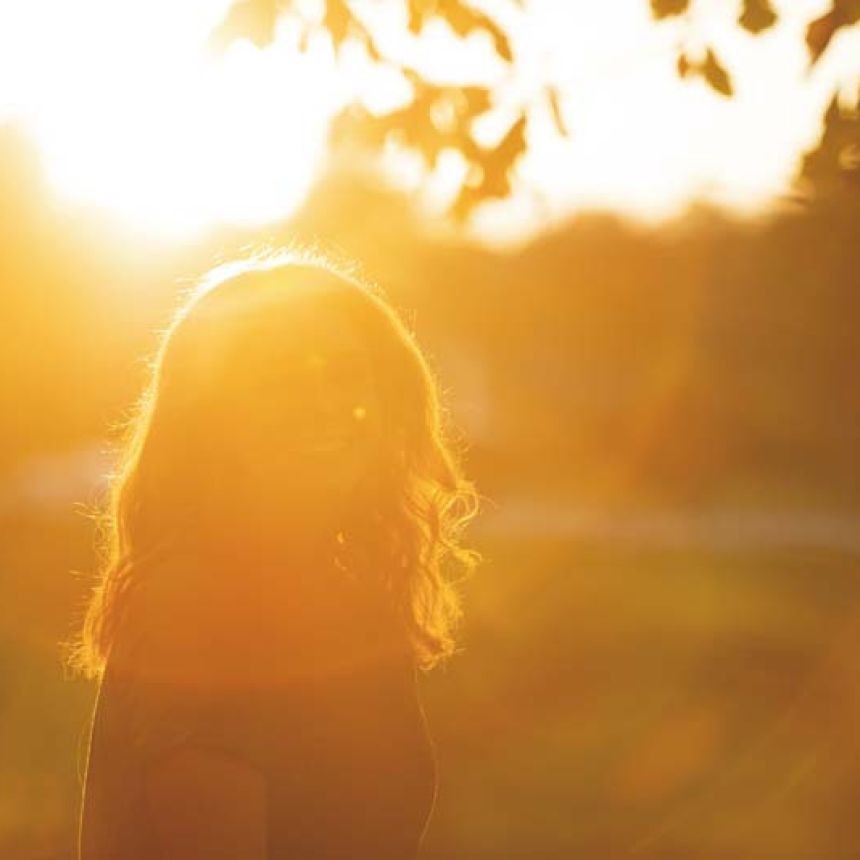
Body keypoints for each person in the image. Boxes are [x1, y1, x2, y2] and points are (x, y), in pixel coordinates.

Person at [66, 251, 483, 858]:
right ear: (212, 416)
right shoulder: (201, 604)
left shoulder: (347, 592)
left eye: (344, 373)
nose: (322, 404)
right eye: (280, 380)